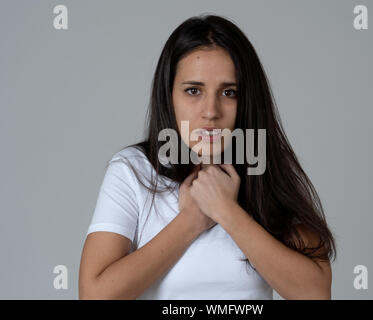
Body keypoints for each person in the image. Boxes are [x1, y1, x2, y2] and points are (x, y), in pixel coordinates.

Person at [79, 14, 337, 300]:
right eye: (193, 91)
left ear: (247, 100)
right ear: (168, 96)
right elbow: (95, 295)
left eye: (229, 92)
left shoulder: (262, 173)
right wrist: (191, 220)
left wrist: (226, 210)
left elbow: (315, 293)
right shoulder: (132, 171)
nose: (211, 111)